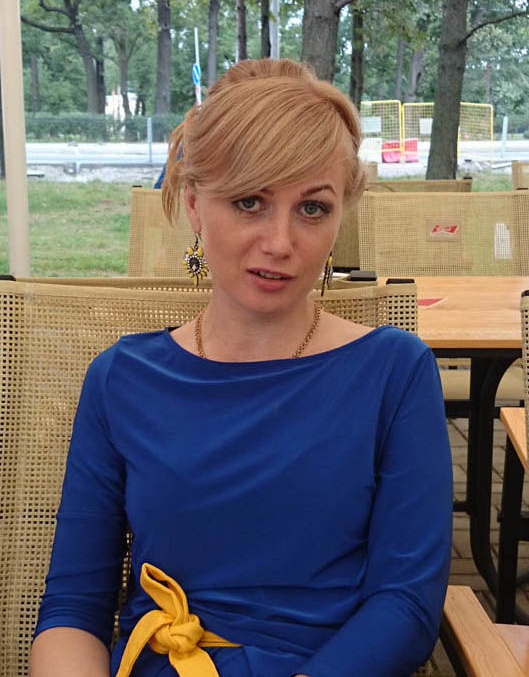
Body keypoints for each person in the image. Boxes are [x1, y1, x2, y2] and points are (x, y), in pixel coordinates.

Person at [30, 58, 452, 677]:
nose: (280, 242)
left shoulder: (394, 372)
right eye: (250, 202)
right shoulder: (122, 379)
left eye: (313, 208)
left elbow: (406, 606)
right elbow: (73, 609)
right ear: (195, 206)